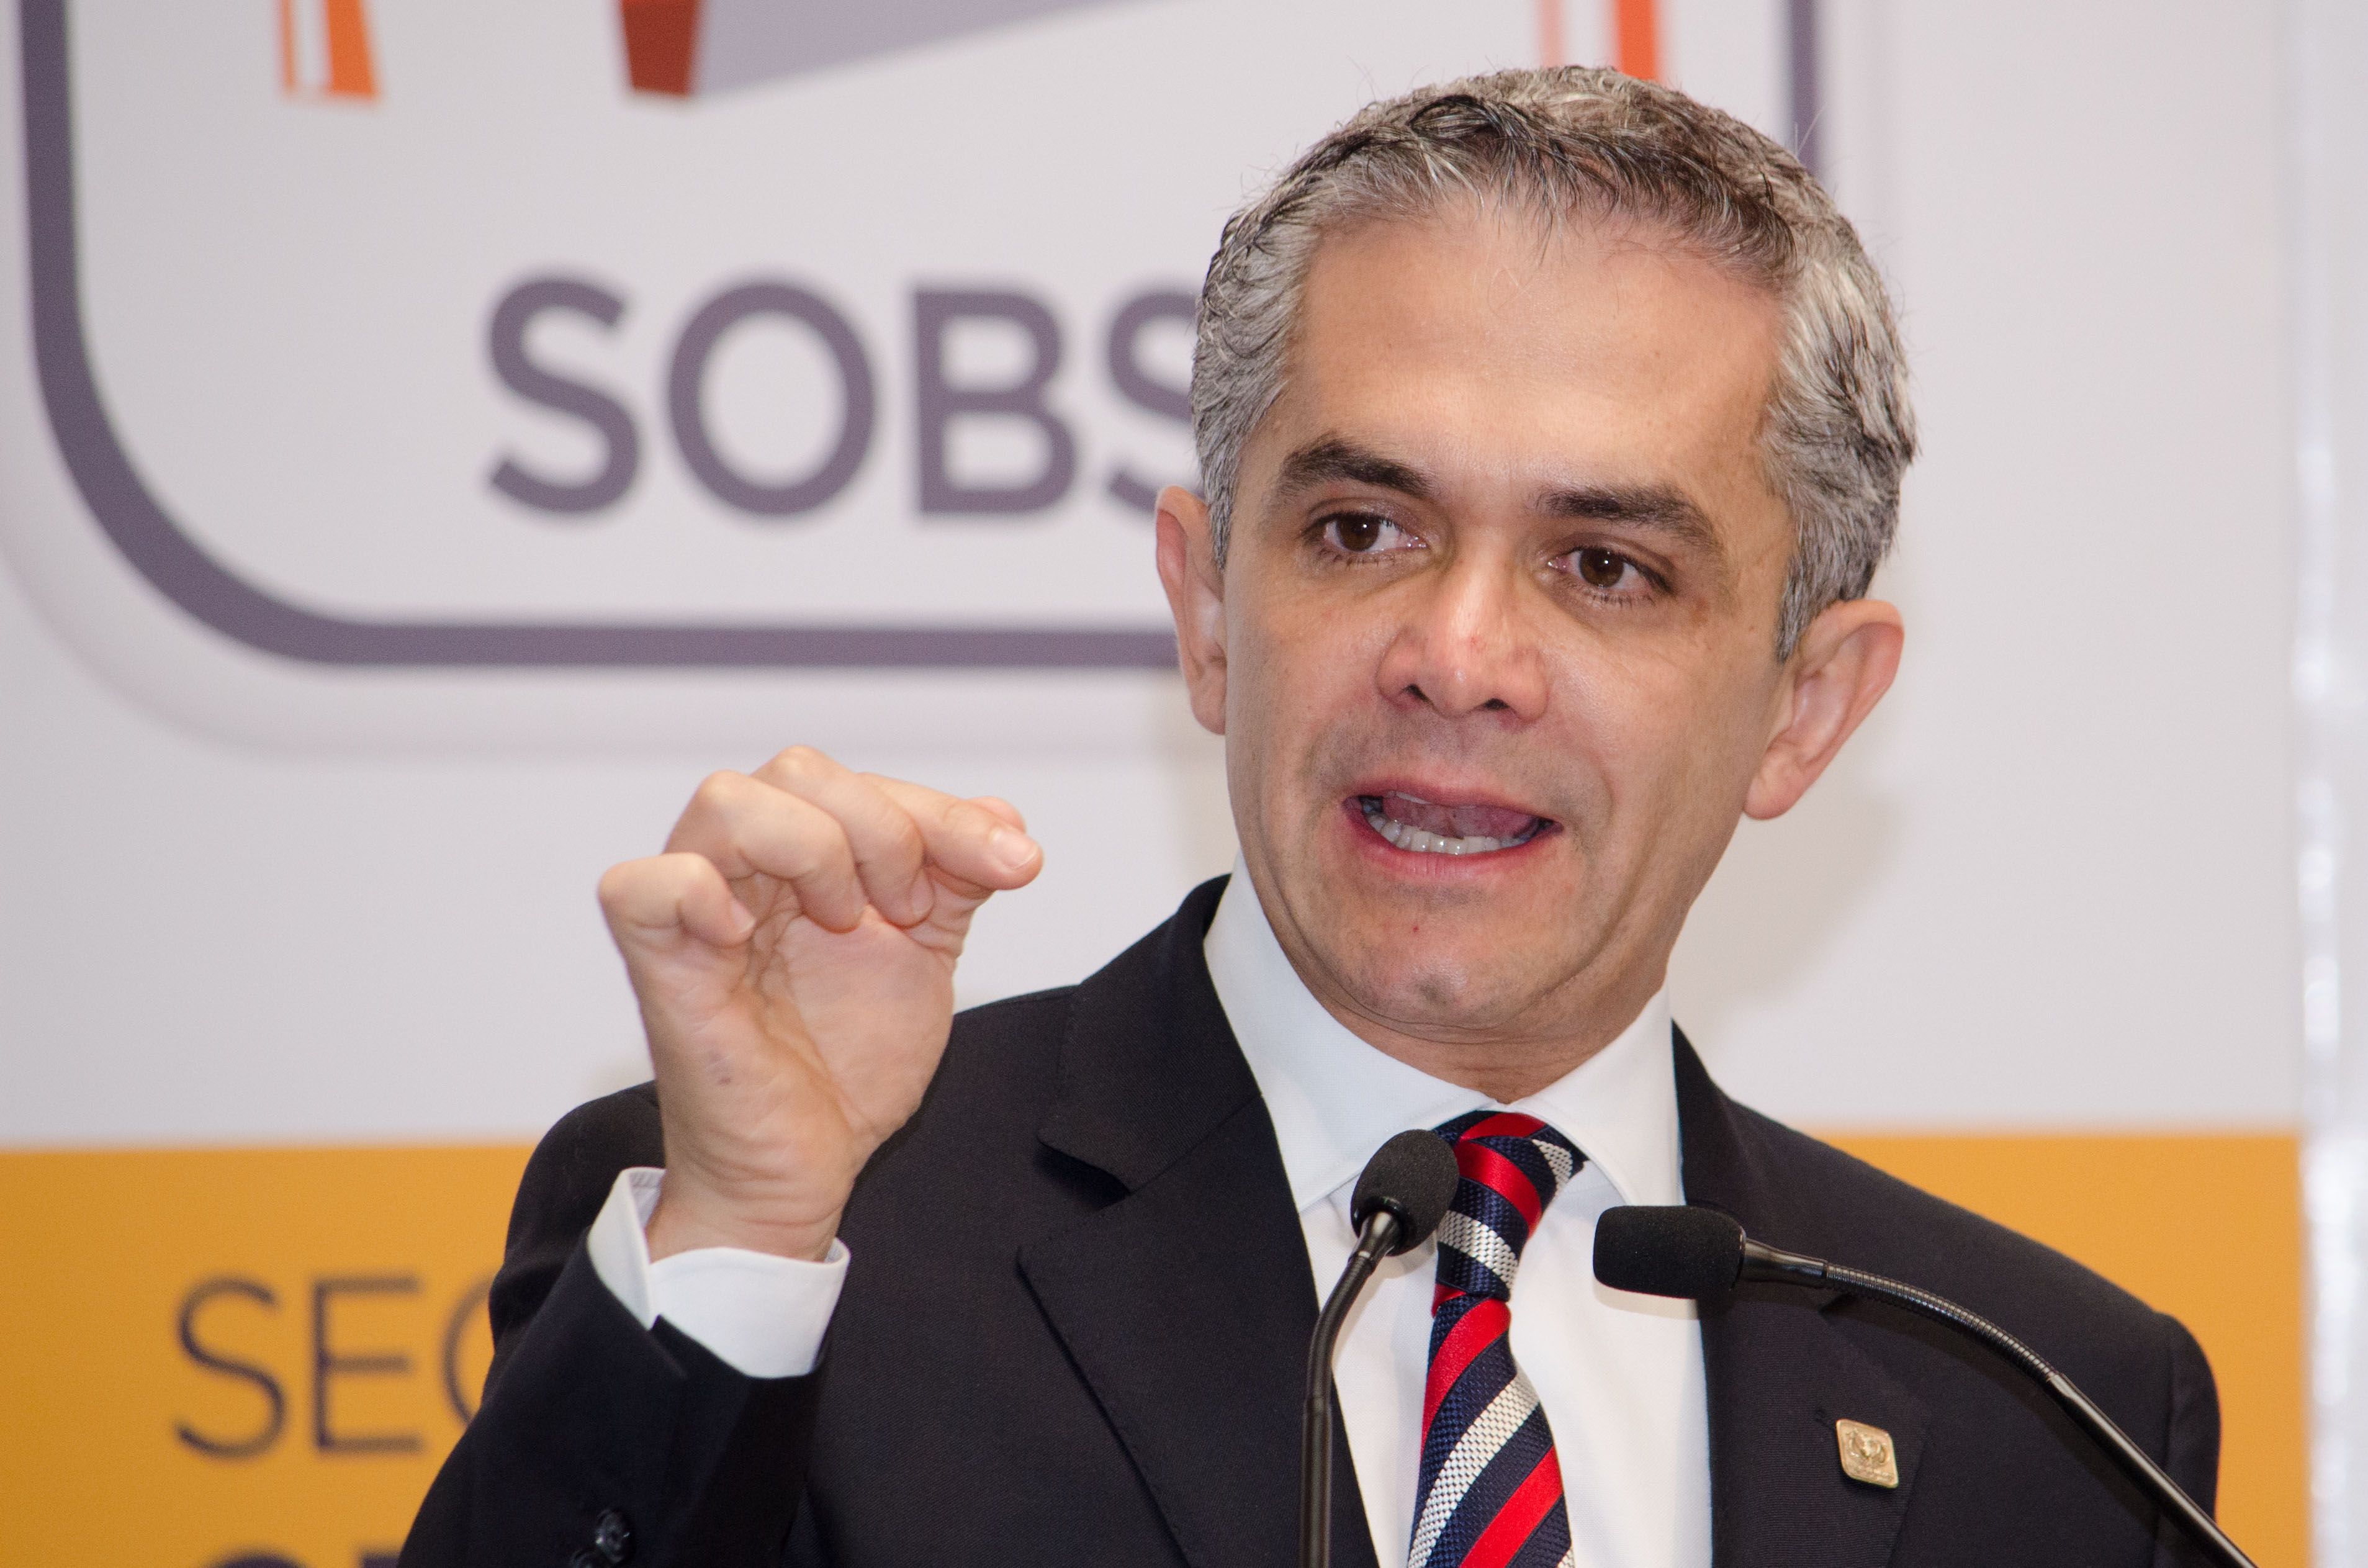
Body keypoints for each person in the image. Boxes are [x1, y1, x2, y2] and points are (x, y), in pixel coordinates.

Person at [402, 67, 2218, 1568]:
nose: (1457, 657)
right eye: (1361, 531)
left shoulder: (2046, 1409)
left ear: (1804, 708)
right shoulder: (806, 1242)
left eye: (1606, 565)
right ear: (1208, 610)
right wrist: (742, 1251)